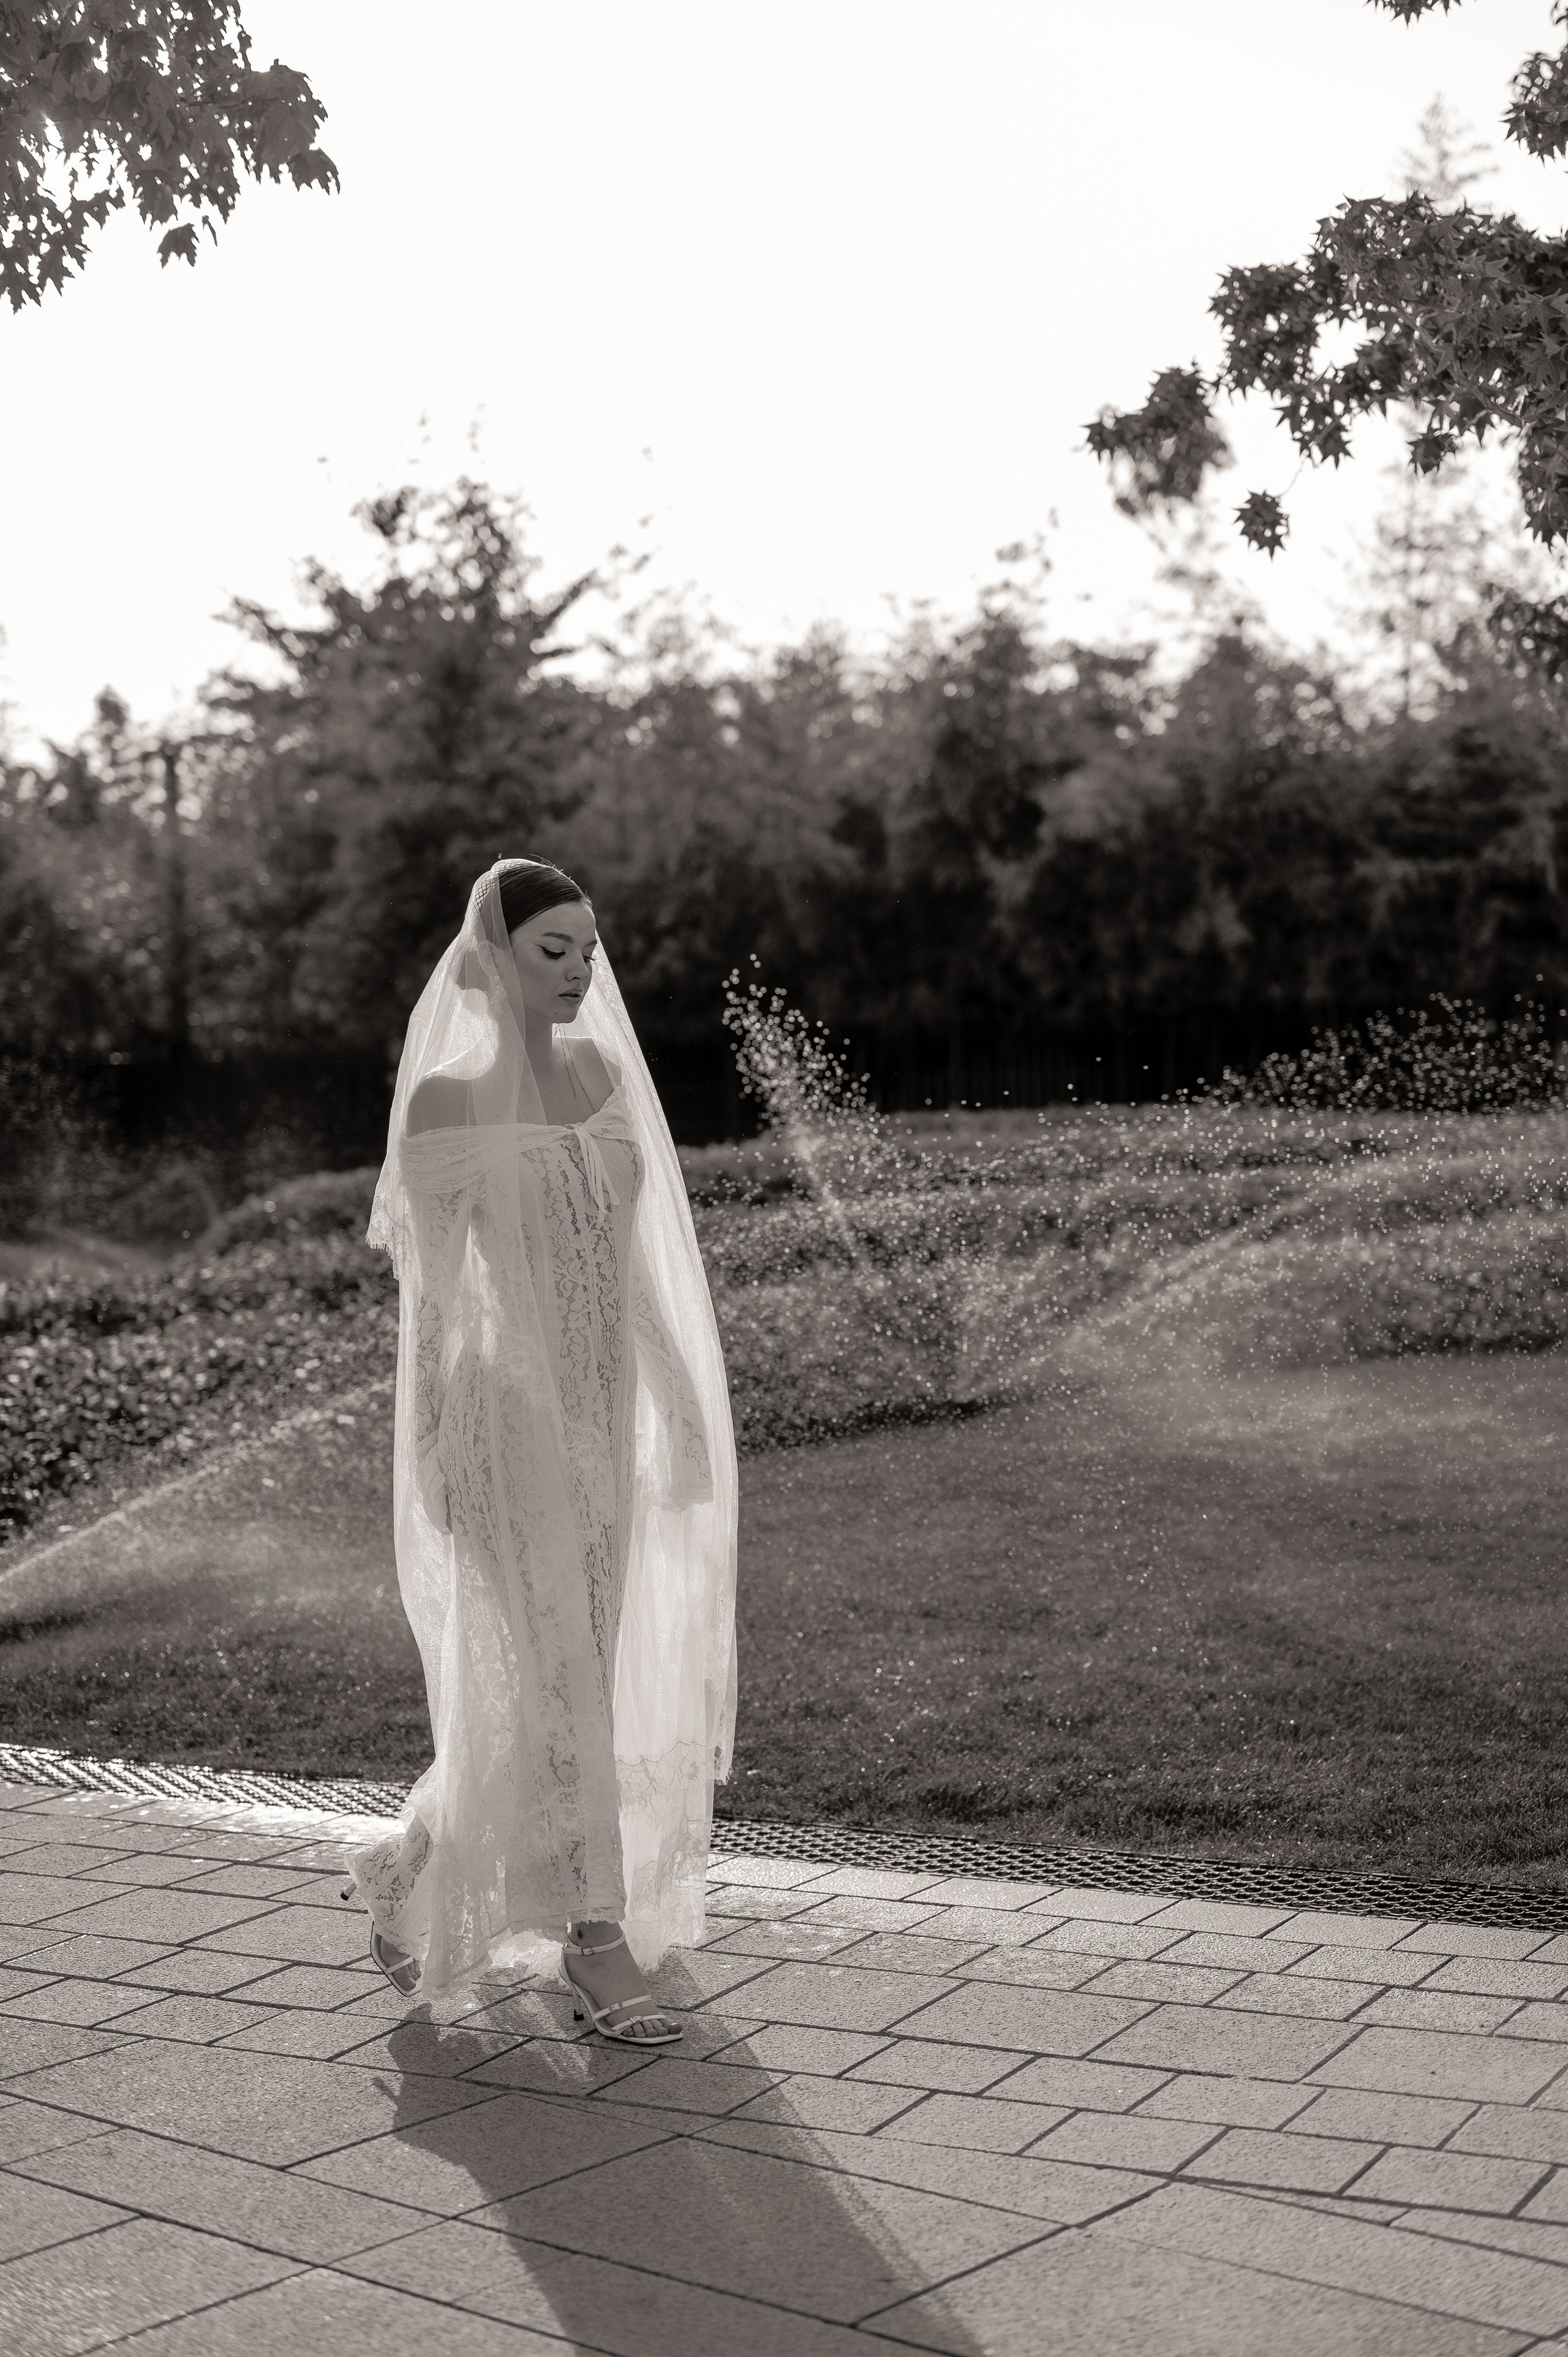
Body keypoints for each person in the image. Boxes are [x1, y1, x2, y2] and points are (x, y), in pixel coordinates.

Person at [344, 858, 737, 2045]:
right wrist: (429, 1445)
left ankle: (412, 1868)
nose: (577, 970)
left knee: (567, 1683)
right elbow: (432, 1304)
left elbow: (631, 1270)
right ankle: (594, 1940)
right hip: (502, 1427)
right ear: (494, 954)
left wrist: (678, 1406)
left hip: (602, 1424)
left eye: (587, 949)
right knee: (556, 1676)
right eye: (552, 948)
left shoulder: (604, 1077)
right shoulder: (446, 1104)